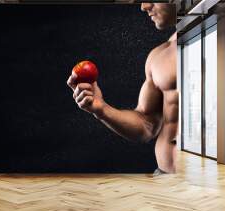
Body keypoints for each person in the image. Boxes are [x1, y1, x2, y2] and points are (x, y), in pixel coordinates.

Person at [67, 3, 178, 174]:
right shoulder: (160, 55)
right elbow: (147, 126)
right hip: (164, 175)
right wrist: (101, 109)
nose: (144, 6)